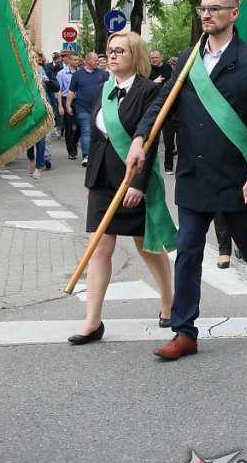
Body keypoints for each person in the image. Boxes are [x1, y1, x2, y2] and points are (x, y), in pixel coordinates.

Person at [126, 0, 247, 360]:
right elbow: (162, 103)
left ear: (233, 14)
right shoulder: (187, 59)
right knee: (188, 252)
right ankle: (185, 331)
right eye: (203, 8)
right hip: (195, 173)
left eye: (215, 8)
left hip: (237, 175)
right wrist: (140, 136)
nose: (207, 14)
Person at [69, 31, 175, 344]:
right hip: (103, 180)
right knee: (99, 249)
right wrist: (91, 180)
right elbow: (99, 140)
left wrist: (139, 185)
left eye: (120, 51)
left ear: (136, 56)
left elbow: (151, 142)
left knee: (147, 249)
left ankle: (169, 300)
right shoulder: (103, 88)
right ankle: (92, 321)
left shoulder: (149, 91)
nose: (112, 56)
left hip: (132, 180)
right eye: (109, 51)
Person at [66, 51, 110, 166]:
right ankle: (86, 156)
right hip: (82, 107)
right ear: (88, 60)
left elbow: (108, 90)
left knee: (99, 131)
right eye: (95, 60)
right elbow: (71, 91)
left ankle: (98, 154)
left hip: (98, 107)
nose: (98, 62)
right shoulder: (77, 74)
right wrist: (68, 105)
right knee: (86, 130)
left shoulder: (103, 74)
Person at [27, 50, 50, 180]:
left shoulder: (45, 69)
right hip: (29, 108)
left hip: (44, 106)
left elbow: (55, 86)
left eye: (35, 56)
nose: (33, 58)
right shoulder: (24, 70)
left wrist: (47, 81)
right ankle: (31, 157)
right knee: (30, 138)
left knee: (41, 137)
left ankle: (38, 167)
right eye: (31, 56)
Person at [57, 52, 80, 159]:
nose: (77, 61)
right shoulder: (61, 73)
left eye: (78, 59)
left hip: (79, 101)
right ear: (69, 60)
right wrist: (60, 106)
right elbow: (59, 90)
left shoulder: (81, 72)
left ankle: (74, 141)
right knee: (69, 127)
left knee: (80, 126)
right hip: (67, 100)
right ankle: (71, 151)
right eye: (75, 59)